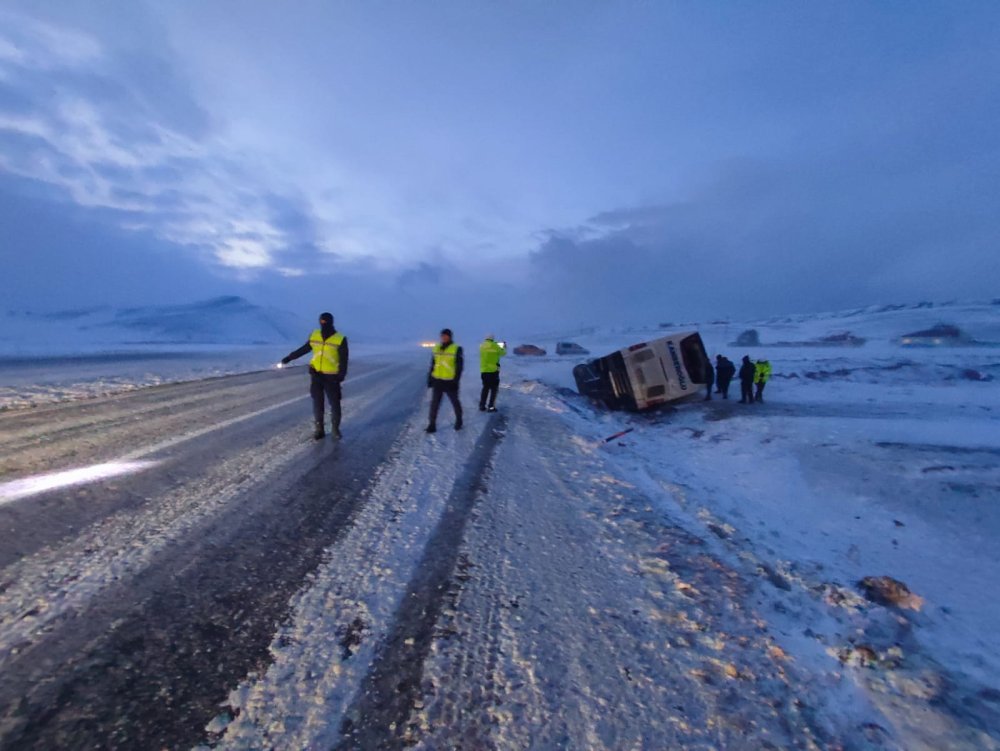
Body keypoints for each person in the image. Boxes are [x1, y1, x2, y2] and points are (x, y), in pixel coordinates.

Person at [281, 312, 349, 439]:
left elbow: (344, 359)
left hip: (332, 377)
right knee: (318, 403)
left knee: (334, 403)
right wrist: (289, 358)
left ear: (331, 322)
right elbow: (304, 349)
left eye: (325, 321)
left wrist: (341, 375)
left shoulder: (340, 339)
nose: (323, 323)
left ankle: (335, 429)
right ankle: (319, 429)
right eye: (322, 321)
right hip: (316, 375)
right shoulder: (315, 334)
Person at [427, 328, 464, 433]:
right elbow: (433, 364)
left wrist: (455, 381)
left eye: (446, 335)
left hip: (450, 382)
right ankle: (432, 424)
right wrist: (430, 378)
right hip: (438, 381)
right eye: (442, 335)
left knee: (455, 402)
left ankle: (459, 420)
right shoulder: (436, 348)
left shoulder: (456, 349)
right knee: (434, 404)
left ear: (450, 337)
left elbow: (459, 367)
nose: (444, 337)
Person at [478, 334, 506, 412]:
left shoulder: (481, 346)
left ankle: (482, 406)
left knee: (485, 388)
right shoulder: (495, 346)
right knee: (494, 390)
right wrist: (503, 347)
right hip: (493, 372)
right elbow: (503, 353)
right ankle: (491, 407)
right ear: (492, 339)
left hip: (484, 371)